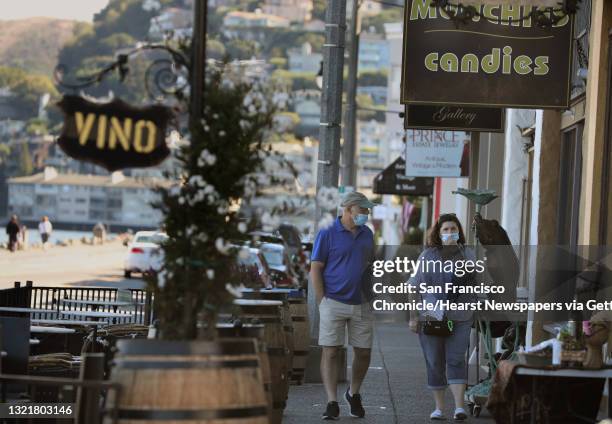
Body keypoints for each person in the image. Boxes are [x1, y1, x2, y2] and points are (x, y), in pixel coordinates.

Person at [310, 191, 376, 420]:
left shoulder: (368, 234)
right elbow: (316, 268)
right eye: (363, 210)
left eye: (367, 210)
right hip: (333, 301)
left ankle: (353, 392)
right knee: (331, 352)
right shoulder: (327, 232)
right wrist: (322, 301)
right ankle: (331, 401)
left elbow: (371, 267)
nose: (366, 214)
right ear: (349, 209)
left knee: (364, 353)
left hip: (362, 303)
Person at [408, 213, 476, 422]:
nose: (449, 233)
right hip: (432, 314)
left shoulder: (469, 254)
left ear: (459, 232)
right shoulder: (427, 256)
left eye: (453, 229)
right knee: (435, 362)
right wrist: (413, 317)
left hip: (461, 315)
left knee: (456, 359)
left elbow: (477, 284)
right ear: (438, 233)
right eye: (445, 229)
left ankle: (459, 407)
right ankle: (439, 408)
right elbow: (413, 287)